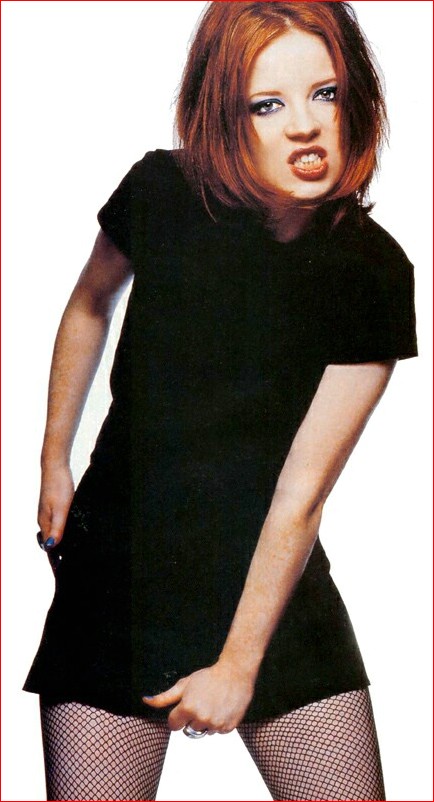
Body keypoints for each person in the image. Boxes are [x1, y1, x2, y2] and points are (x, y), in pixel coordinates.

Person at [23, 1, 418, 800]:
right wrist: (54, 460)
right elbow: (90, 303)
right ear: (223, 119)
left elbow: (300, 496)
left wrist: (239, 665)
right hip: (121, 573)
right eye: (266, 104)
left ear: (358, 99)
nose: (304, 126)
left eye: (326, 93)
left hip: (270, 583)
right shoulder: (159, 192)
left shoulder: (373, 271)